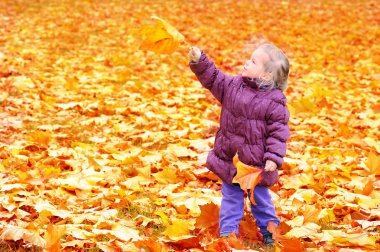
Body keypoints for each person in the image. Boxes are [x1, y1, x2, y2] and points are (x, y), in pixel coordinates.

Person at [188, 43, 290, 246]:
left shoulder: (275, 101)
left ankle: (270, 234)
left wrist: (273, 158)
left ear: (267, 76)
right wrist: (200, 61)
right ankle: (228, 235)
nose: (247, 62)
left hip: (256, 167)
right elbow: (214, 78)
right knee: (230, 200)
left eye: (253, 61)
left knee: (261, 201)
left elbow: (278, 133)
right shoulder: (233, 86)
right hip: (231, 161)